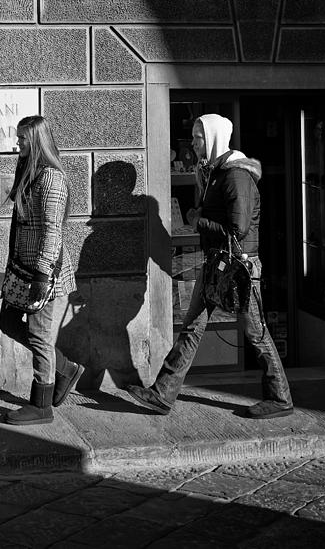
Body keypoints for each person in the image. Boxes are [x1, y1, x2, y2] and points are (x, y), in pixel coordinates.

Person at [125, 113, 293, 419]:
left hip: (239, 268)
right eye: (193, 136)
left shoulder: (236, 177)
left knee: (256, 333)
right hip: (218, 263)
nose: (192, 143)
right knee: (192, 326)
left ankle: (280, 397)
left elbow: (238, 229)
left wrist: (196, 221)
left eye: (197, 137)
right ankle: (163, 394)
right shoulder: (216, 172)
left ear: (213, 138)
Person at [0, 115, 84, 426]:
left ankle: (41, 406)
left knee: (40, 338)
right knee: (8, 322)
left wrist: (42, 274)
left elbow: (52, 232)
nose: (17, 142)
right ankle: (65, 368)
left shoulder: (52, 179)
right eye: (18, 137)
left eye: (23, 138)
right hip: (23, 269)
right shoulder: (30, 172)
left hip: (45, 275)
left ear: (37, 141)